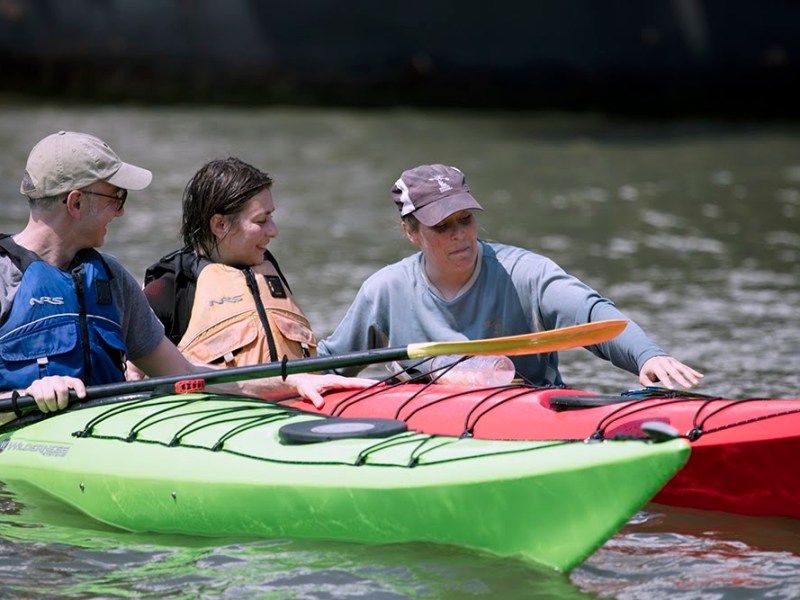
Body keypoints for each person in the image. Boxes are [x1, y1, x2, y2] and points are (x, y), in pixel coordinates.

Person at [0, 132, 366, 425]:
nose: (122, 212)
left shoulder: (112, 280)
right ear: (76, 203)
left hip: (104, 445)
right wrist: (23, 397)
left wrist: (291, 381)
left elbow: (185, 374)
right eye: (117, 198)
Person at [317, 163, 704, 390]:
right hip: (427, 433)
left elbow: (592, 315)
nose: (460, 234)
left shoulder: (526, 273)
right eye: (442, 226)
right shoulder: (385, 290)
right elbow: (329, 368)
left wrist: (647, 357)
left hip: (526, 416)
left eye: (465, 219)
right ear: (411, 232)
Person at [139, 157, 373, 396]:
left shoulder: (267, 268)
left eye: (271, 217)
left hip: (302, 408)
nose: (274, 231)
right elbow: (130, 377)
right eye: (261, 221)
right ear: (219, 224)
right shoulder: (168, 289)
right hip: (223, 422)